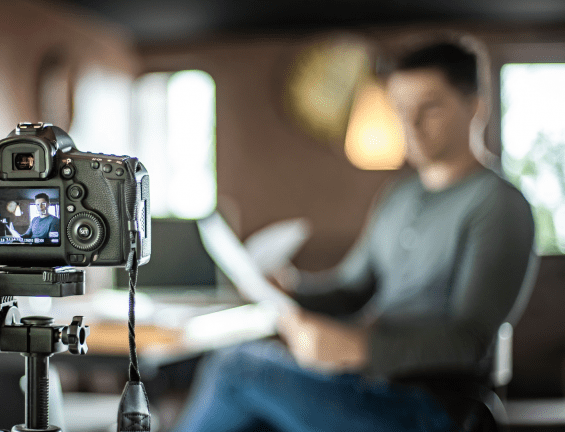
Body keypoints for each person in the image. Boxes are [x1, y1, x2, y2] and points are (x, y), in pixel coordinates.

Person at [170, 40, 535, 432]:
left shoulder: (498, 205)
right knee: (251, 394)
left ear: (476, 107)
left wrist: (357, 348)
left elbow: (470, 341)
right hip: (367, 386)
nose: (410, 123)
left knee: (238, 368)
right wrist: (291, 288)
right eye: (399, 108)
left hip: (434, 407)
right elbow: (352, 288)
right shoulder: (398, 196)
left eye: (429, 107)